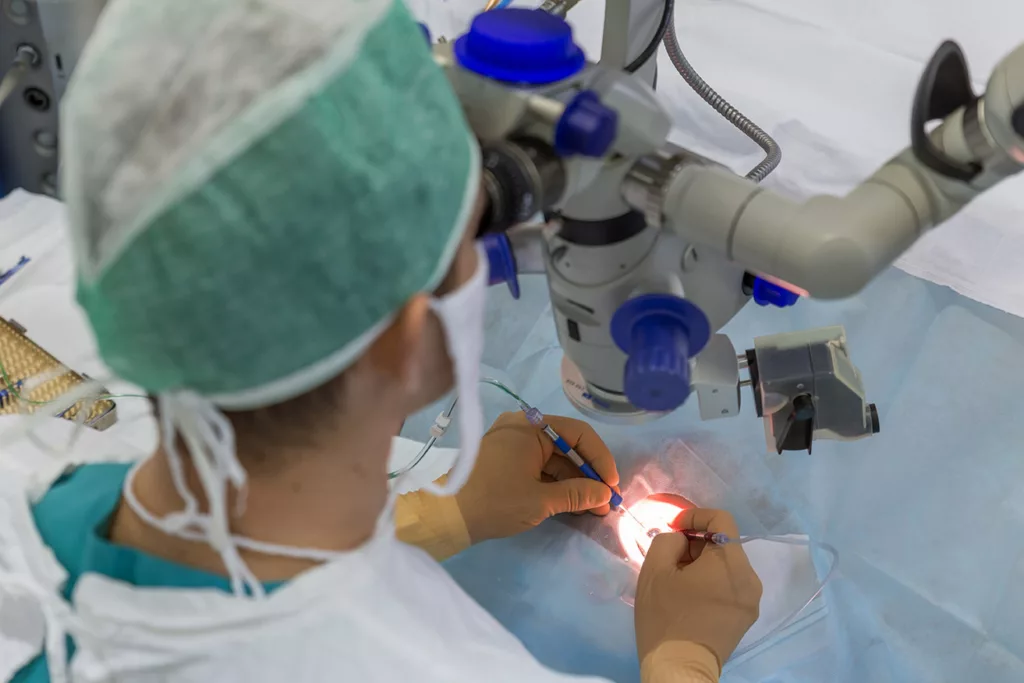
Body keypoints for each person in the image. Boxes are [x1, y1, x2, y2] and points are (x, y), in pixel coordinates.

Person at [0, 0, 762, 681]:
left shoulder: (45, 490)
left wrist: (442, 518)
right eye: (472, 244)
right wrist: (682, 657)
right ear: (411, 336)